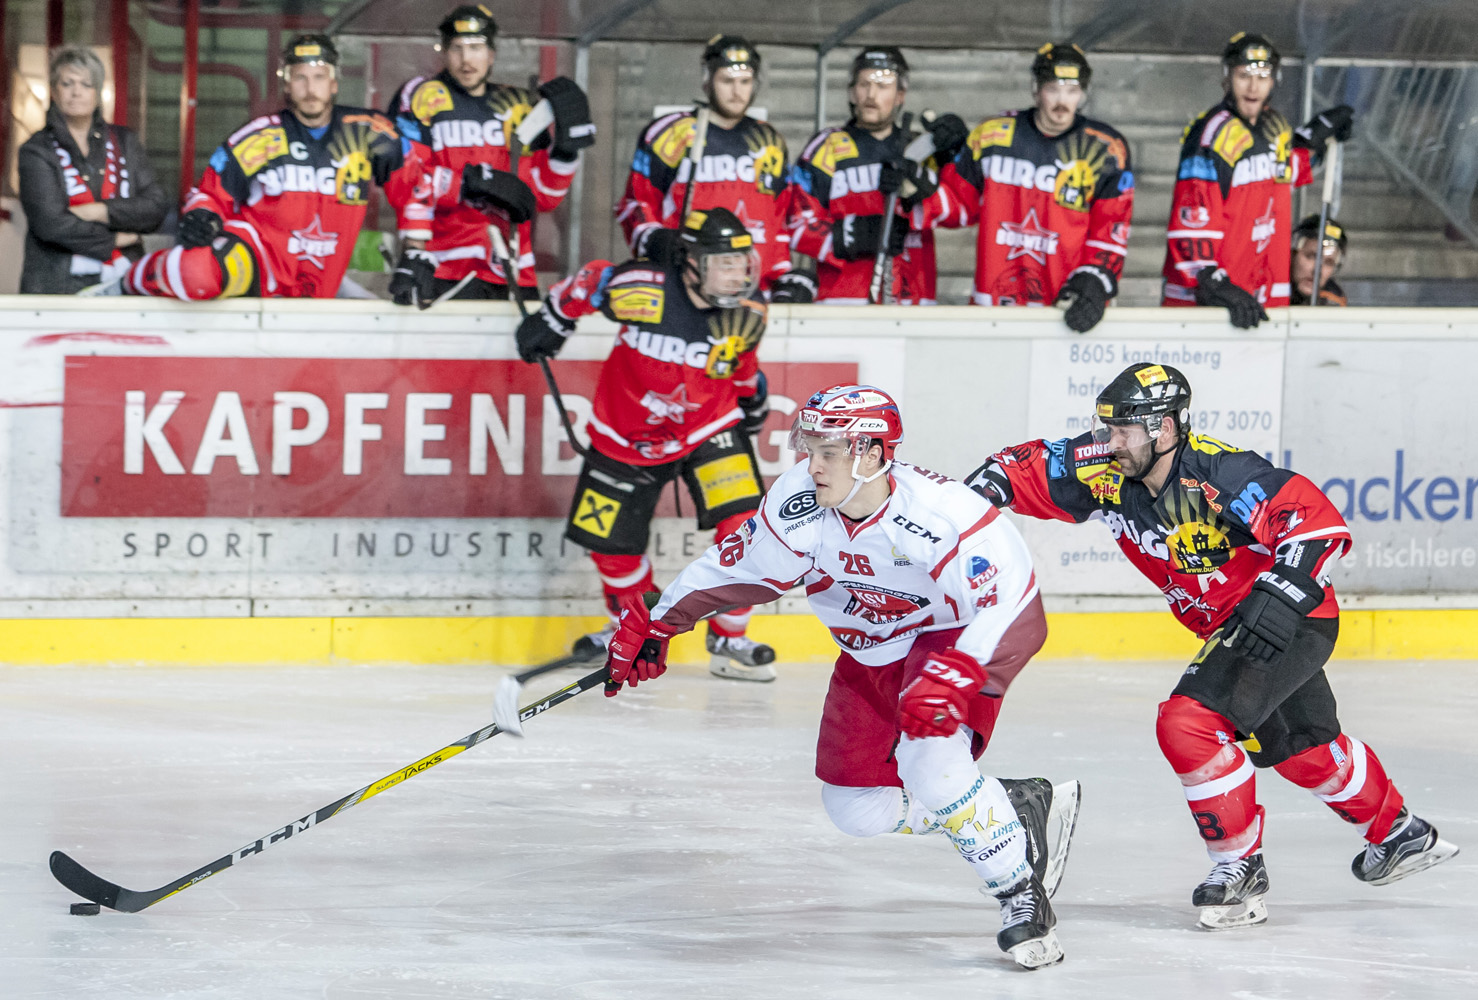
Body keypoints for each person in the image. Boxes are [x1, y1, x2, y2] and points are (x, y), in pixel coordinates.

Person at [598, 383, 1081, 969]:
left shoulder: (942, 514)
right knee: (855, 809)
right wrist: (661, 622)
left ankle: (1019, 892)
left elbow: (1015, 605)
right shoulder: (799, 501)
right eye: (810, 448)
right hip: (869, 654)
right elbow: (739, 567)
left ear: (873, 453)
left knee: (930, 760)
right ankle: (1008, 805)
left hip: (949, 643)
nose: (813, 465)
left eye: (829, 451)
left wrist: (959, 670)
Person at [966, 362, 1458, 930]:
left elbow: (1313, 523)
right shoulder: (1106, 466)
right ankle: (1399, 833)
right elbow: (1017, 469)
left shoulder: (1220, 473)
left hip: (1281, 620)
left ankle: (1237, 866)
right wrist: (964, 508)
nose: (1111, 442)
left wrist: (1279, 593)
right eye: (1107, 428)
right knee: (1302, 749)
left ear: (1165, 428)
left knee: (1189, 723)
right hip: (1237, 624)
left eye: (1124, 430)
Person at [514, 208, 778, 681]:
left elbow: (739, 364)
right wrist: (554, 319)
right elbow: (591, 281)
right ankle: (633, 628)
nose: (737, 274)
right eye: (724, 263)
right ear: (692, 263)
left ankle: (729, 637)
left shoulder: (748, 310)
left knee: (748, 530)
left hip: (709, 427)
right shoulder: (646, 291)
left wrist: (750, 394)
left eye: (742, 262)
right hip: (626, 434)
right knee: (611, 549)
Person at [114, 35, 415, 301]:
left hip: (321, 279)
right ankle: (131, 278)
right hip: (259, 259)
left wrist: (415, 254)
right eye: (300, 78)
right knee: (197, 273)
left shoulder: (368, 133)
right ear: (287, 84)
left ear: (334, 83)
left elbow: (415, 188)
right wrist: (202, 215)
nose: (310, 88)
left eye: (319, 77)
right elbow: (209, 193)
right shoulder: (261, 137)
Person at [913, 43, 1132, 331]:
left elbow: (1111, 231)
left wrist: (1094, 280)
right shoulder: (992, 134)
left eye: (1072, 90)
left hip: (1062, 310)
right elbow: (958, 206)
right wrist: (917, 190)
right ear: (1035, 89)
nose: (1062, 101)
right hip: (991, 310)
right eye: (1053, 89)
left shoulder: (1107, 149)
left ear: (1083, 93)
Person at [385, 5, 593, 305]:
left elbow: (543, 197)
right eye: (457, 48)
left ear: (492, 54)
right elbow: (405, 177)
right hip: (442, 266)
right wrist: (467, 184)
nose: (466, 59)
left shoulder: (519, 104)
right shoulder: (422, 96)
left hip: (512, 271)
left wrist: (564, 153)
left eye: (476, 48)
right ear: (443, 52)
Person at [1161, 32, 1354, 326]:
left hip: (1258, 296)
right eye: (1244, 76)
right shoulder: (1212, 134)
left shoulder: (1276, 127)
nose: (1253, 87)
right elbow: (1192, 217)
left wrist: (1317, 136)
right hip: (1209, 302)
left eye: (1262, 77)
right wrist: (1212, 282)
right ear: (1227, 77)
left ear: (1274, 80)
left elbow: (1284, 174)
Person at [616, 35, 805, 301]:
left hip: (751, 290)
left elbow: (778, 218)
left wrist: (781, 276)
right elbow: (635, 204)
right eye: (727, 81)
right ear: (707, 80)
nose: (737, 92)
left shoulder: (770, 140)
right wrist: (656, 241)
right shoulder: (671, 133)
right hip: (686, 288)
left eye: (745, 82)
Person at [784, 47, 959, 304]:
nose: (871, 95)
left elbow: (959, 212)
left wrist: (956, 152)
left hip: (912, 299)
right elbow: (796, 223)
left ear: (900, 95)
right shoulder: (827, 146)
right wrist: (852, 235)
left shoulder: (921, 149)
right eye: (864, 84)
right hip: (843, 301)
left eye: (883, 86)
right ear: (851, 92)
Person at [18, 45, 168, 294]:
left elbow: (155, 206)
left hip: (124, 280)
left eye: (86, 84)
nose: (76, 92)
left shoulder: (125, 141)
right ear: (54, 91)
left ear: (97, 93)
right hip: (57, 285)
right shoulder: (36, 149)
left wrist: (100, 211)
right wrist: (115, 239)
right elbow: (50, 223)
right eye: (67, 83)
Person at [1289, 214, 1348, 305]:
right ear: (1293, 254)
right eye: (1311, 256)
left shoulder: (1334, 301)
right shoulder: (1268, 289)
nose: (1317, 271)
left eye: (1329, 263)